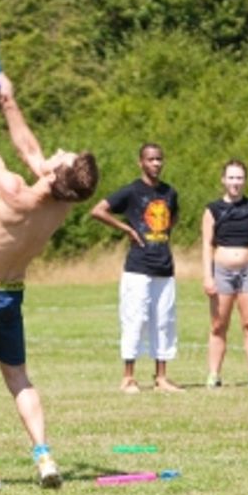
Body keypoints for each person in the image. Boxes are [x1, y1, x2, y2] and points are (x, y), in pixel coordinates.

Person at [0, 70, 100, 494]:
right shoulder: (63, 204)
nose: (58, 150)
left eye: (61, 156)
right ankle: (44, 456)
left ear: (53, 174)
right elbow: (31, 149)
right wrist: (9, 100)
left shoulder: (14, 191)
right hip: (11, 297)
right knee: (18, 379)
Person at [90, 143, 182, 393]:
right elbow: (98, 210)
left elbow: (172, 219)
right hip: (138, 267)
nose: (156, 164)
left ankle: (161, 377)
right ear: (140, 162)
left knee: (164, 320)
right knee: (135, 319)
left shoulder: (169, 192)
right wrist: (127, 229)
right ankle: (128, 377)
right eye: (151, 159)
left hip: (164, 266)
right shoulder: (132, 191)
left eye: (159, 159)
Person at [201, 160, 248, 389]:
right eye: (231, 178)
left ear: (245, 180)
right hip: (222, 271)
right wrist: (208, 276)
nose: (235, 183)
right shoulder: (213, 210)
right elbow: (206, 245)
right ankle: (214, 374)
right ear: (223, 180)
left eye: (239, 178)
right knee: (219, 325)